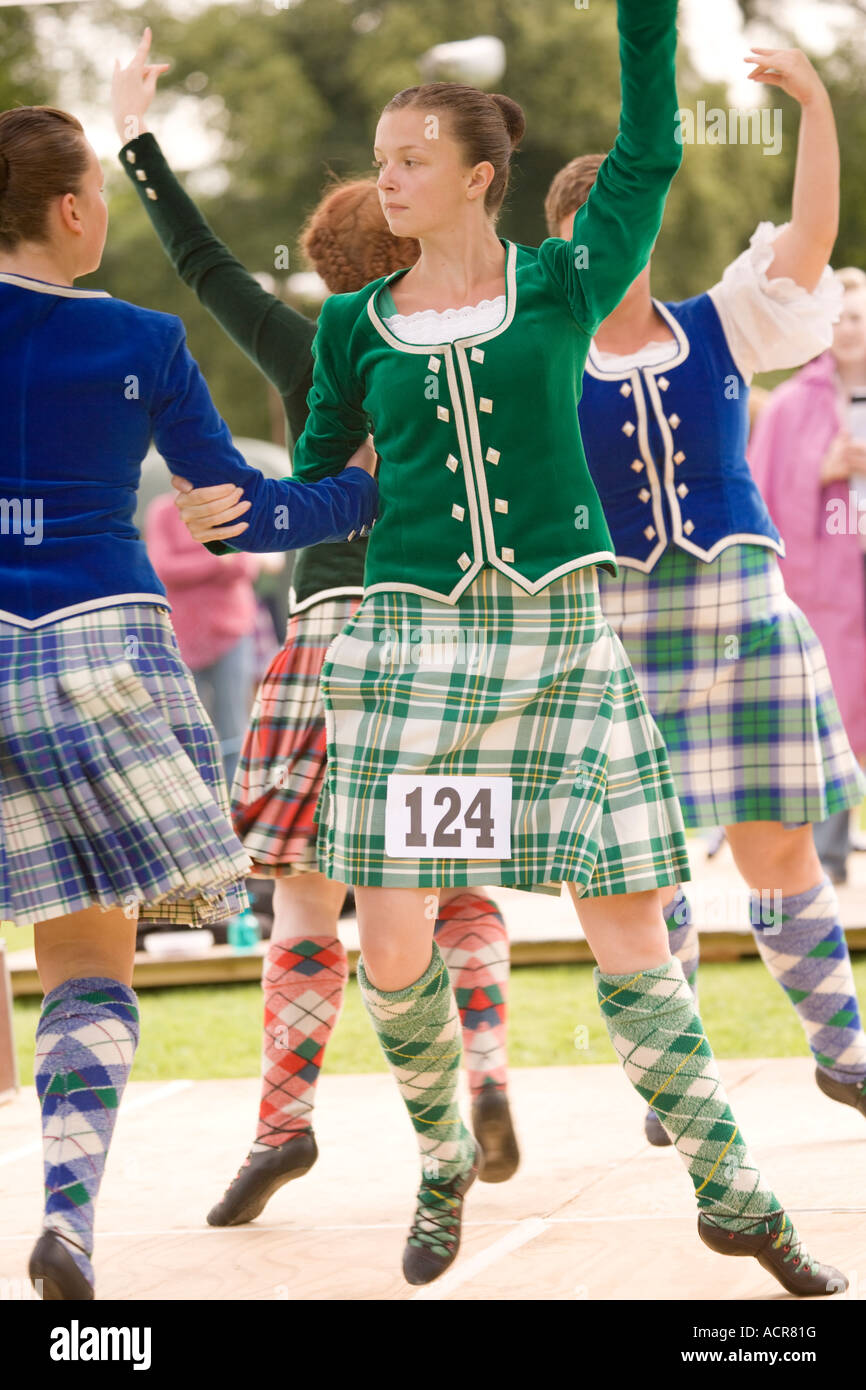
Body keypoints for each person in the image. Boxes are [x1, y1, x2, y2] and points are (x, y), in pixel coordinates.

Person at [175, 0, 847, 1298]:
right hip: (422, 666)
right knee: (393, 935)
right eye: (383, 158)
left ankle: (731, 1191)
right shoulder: (355, 329)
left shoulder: (564, 280)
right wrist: (262, 511)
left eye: (412, 155)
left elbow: (647, 154)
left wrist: (645, 17)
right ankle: (440, 1160)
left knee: (630, 940)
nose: (388, 176)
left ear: (481, 174)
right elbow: (337, 492)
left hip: (564, 654)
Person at [111, 29, 521, 1229]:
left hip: (333, 633)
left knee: (302, 900)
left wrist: (137, 137)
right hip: (450, 648)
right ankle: (486, 1069)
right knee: (457, 883)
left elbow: (202, 264)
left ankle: (282, 1121)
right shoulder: (483, 335)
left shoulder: (319, 341)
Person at [0, 103, 376, 1301]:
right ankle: (67, 1216)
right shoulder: (143, 342)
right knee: (88, 966)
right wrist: (358, 488)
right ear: (71, 209)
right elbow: (243, 515)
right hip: (99, 648)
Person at [543, 49, 866, 1152]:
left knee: (778, 845)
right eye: (597, 226)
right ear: (567, 246)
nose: (616, 244)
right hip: (616, 630)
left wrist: (814, 106)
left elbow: (810, 240)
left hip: (740, 611)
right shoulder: (537, 358)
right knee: (648, 861)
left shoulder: (721, 320)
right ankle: (676, 1077)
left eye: (632, 218)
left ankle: (843, 1053)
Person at [749, 266, 866, 884]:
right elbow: (762, 494)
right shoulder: (793, 403)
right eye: (841, 317)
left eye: (860, 319)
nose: (850, 331)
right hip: (822, 582)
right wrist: (822, 470)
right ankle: (824, 860)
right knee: (831, 709)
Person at [145, 491, 263, 786]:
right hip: (180, 639)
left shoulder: (232, 505)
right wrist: (216, 561)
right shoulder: (162, 511)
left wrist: (192, 562)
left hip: (232, 632)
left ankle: (235, 810)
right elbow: (161, 567)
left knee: (234, 726)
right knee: (185, 728)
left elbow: (246, 565)